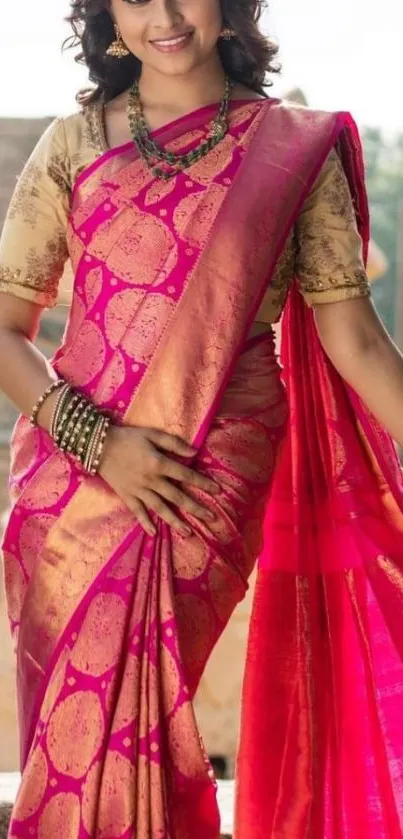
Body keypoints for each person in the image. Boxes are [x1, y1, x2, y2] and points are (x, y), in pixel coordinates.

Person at [1, 1, 403, 837]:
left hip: (204, 476)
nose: (166, 15)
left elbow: (355, 337)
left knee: (124, 711)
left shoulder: (294, 148)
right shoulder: (74, 144)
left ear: (230, 7)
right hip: (70, 476)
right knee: (74, 730)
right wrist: (99, 443)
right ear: (108, 13)